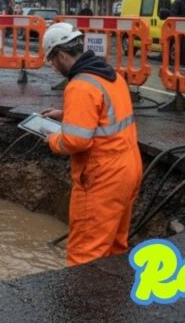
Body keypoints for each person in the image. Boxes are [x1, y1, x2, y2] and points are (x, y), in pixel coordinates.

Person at [39, 23, 143, 266]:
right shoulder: (109, 75)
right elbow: (105, 116)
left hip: (101, 178)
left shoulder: (80, 86)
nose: (53, 68)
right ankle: (112, 298)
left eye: (52, 61)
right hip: (128, 169)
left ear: (62, 55)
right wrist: (66, 114)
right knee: (116, 246)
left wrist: (53, 139)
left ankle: (82, 304)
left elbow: (76, 141)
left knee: (84, 254)